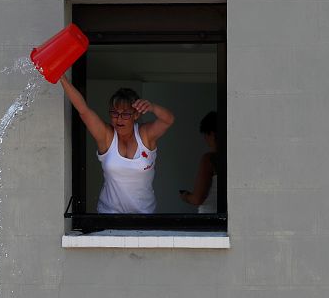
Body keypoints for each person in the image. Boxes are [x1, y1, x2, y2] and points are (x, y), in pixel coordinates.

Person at [60, 76, 174, 214]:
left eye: (125, 114)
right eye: (114, 113)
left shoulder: (144, 134)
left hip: (144, 216)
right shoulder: (107, 136)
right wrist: (61, 76)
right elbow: (84, 110)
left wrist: (152, 107)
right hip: (108, 215)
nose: (119, 119)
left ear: (136, 115)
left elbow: (168, 120)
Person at [179, 111, 218, 214]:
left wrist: (185, 196)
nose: (205, 139)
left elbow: (197, 199)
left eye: (205, 135)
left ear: (212, 134)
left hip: (212, 219)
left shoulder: (210, 159)